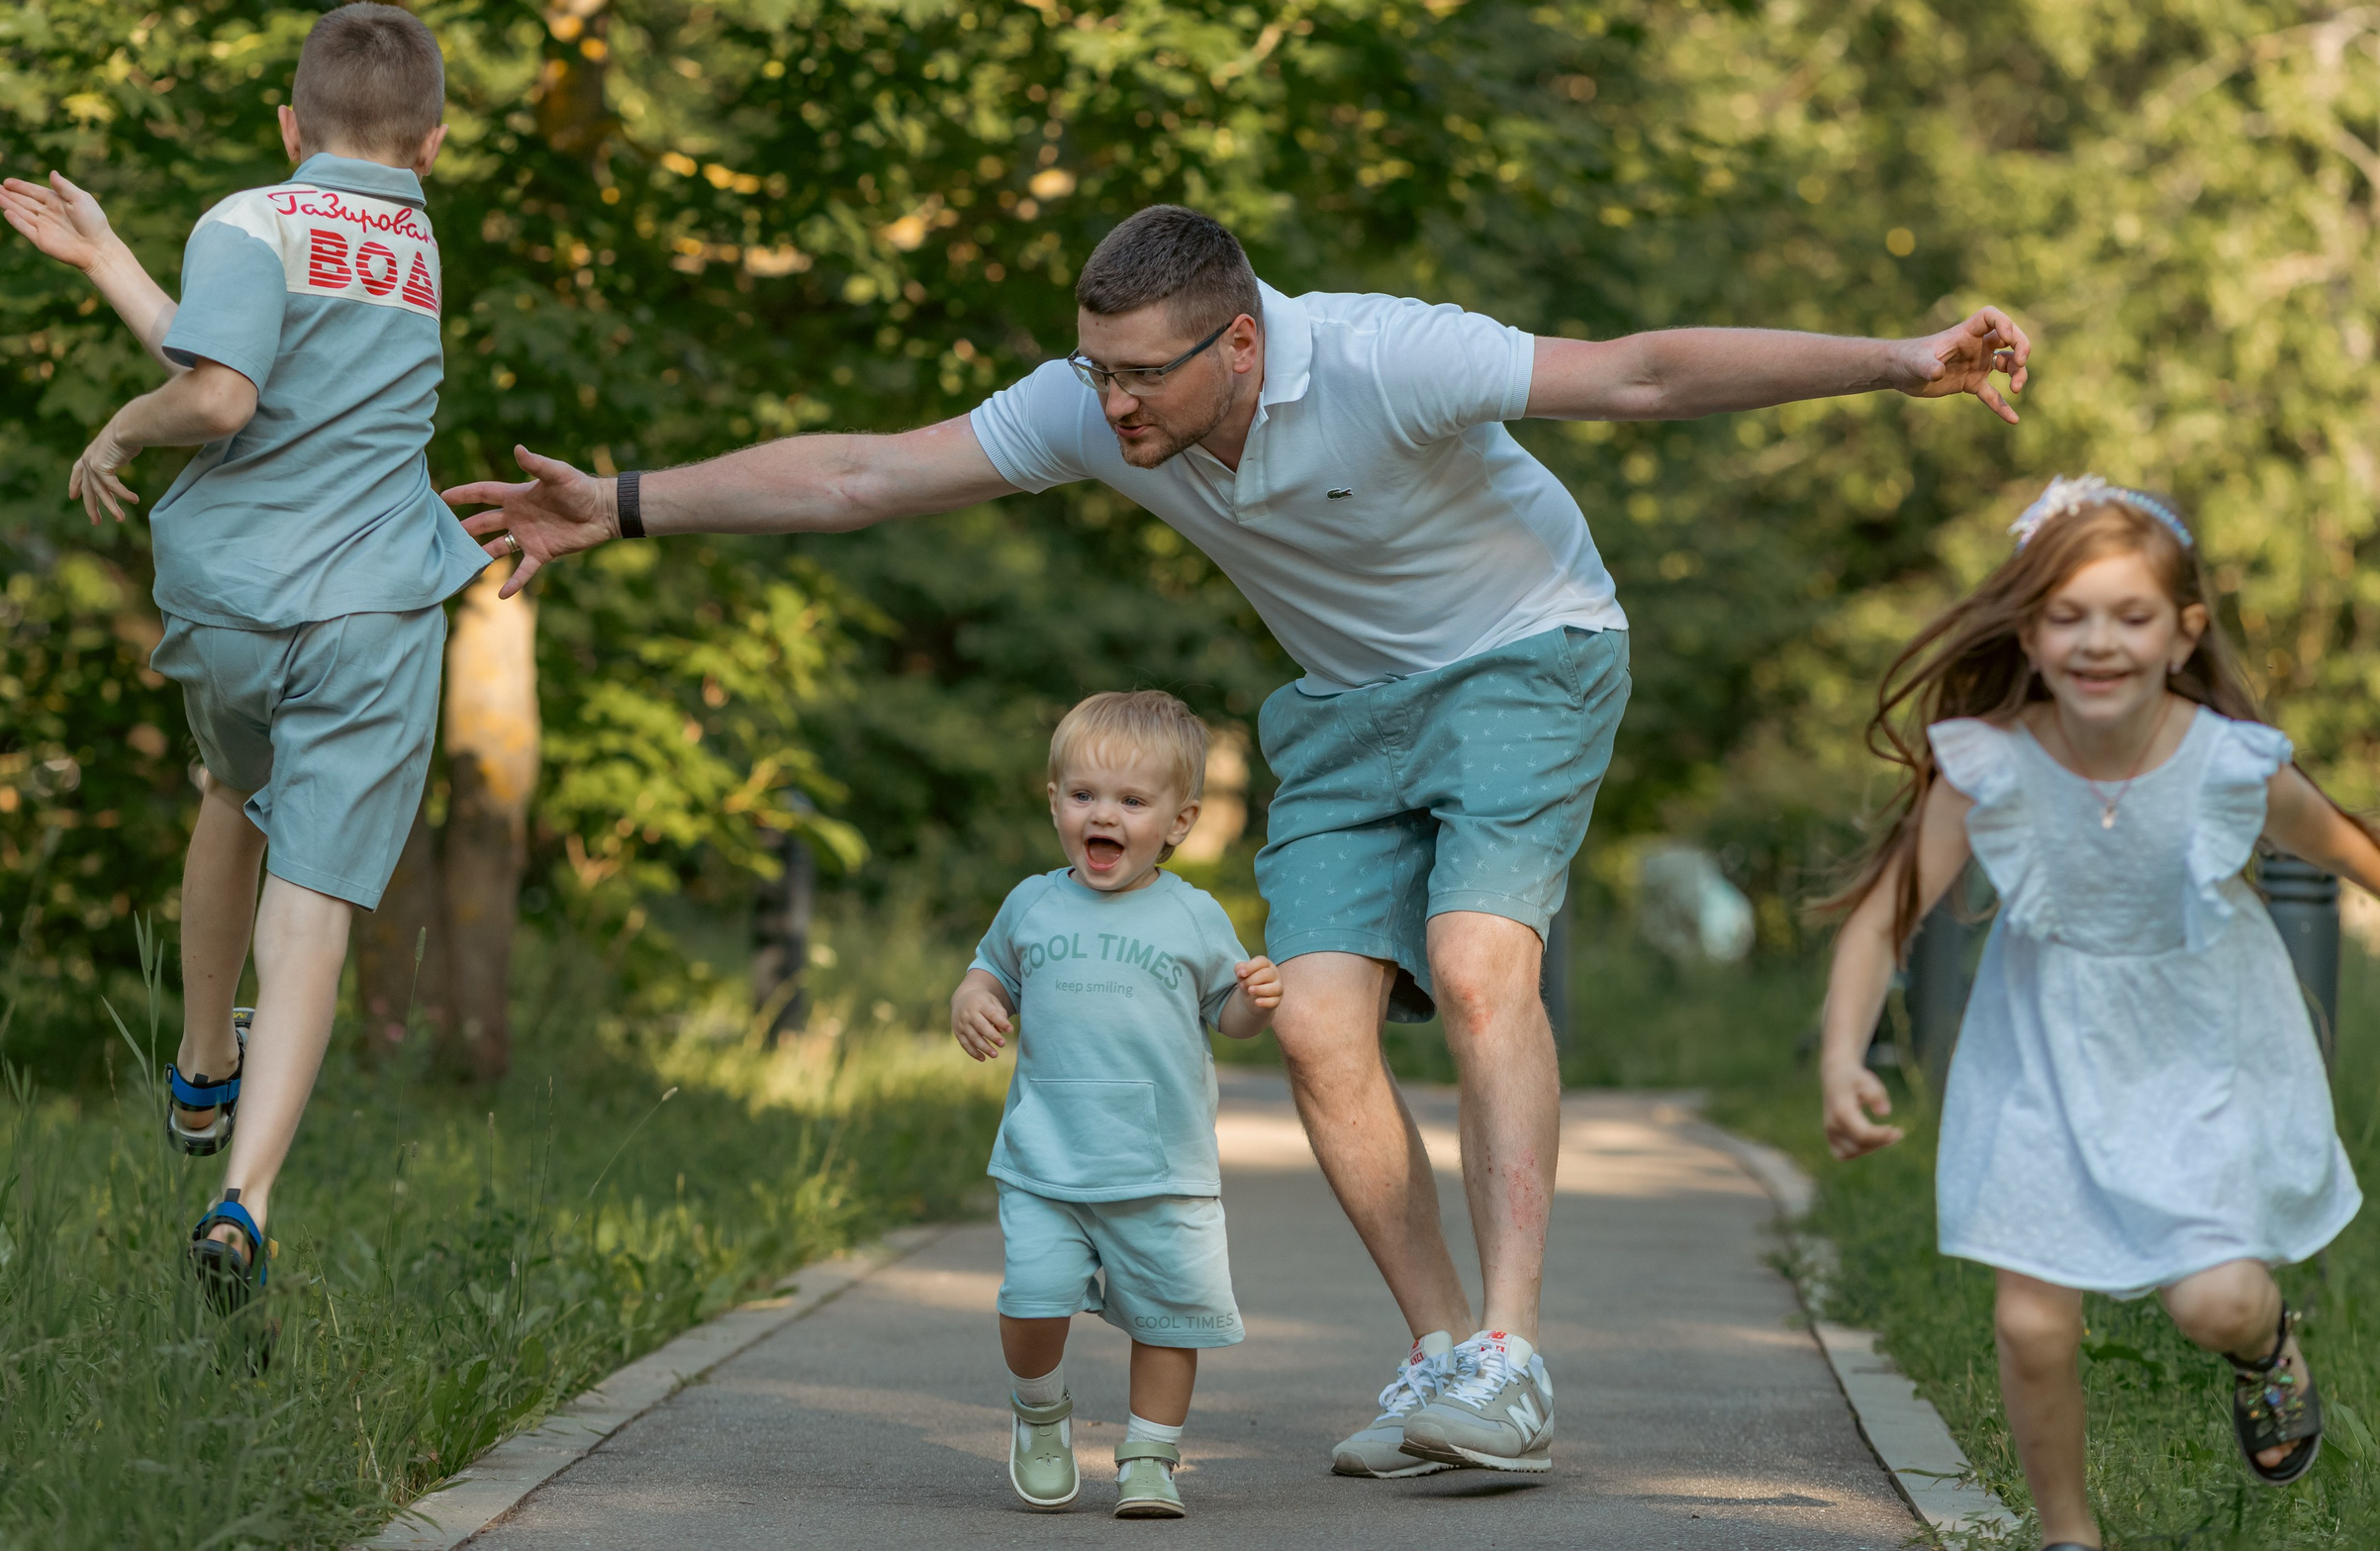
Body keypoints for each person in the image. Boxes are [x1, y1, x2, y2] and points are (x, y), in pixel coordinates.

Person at [447, 203, 2031, 1473]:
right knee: (1319, 1022)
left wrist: (1896, 359)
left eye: (1143, 374)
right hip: (1344, 701)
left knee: (1483, 964)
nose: (1111, 401)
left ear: (1244, 339)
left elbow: (1638, 374)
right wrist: (630, 503)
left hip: (1529, 650)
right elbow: (870, 471)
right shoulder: (1093, 404)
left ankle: (1518, 1354)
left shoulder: (1386, 356)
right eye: (1097, 370)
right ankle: (1436, 1350)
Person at [0, 3, 488, 1307]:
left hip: (237, 603)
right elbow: (237, 362)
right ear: (431, 143)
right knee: (313, 895)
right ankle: (245, 1197)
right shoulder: (420, 239)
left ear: (287, 124)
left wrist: (116, 426)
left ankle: (204, 1061)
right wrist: (107, 256)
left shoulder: (250, 216)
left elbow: (217, 389)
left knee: (229, 792)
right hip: (377, 606)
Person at [1818, 478, 2368, 1546]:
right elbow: (1881, 922)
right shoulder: (1991, 770)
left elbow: (2356, 854)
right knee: (2029, 1325)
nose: (2096, 643)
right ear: (2028, 634)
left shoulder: (2226, 765)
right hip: (2041, 1064)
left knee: (2213, 1302)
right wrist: (1843, 1055)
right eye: (2067, 617)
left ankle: (2266, 1352)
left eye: (2129, 616)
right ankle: (2070, 1537)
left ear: (2181, 633)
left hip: (2206, 1056)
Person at [949, 690, 1284, 1517]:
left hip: (1162, 1166)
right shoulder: (1031, 901)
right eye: (1086, 795)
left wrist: (1256, 999)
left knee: (1170, 1322)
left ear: (1179, 820)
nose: (1106, 814)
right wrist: (972, 994)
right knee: (1029, 1298)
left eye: (1133, 801)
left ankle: (1148, 1454)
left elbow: (1227, 1019)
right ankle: (1039, 1407)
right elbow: (991, 970)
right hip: (1046, 1158)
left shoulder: (1194, 915)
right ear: (1056, 800)